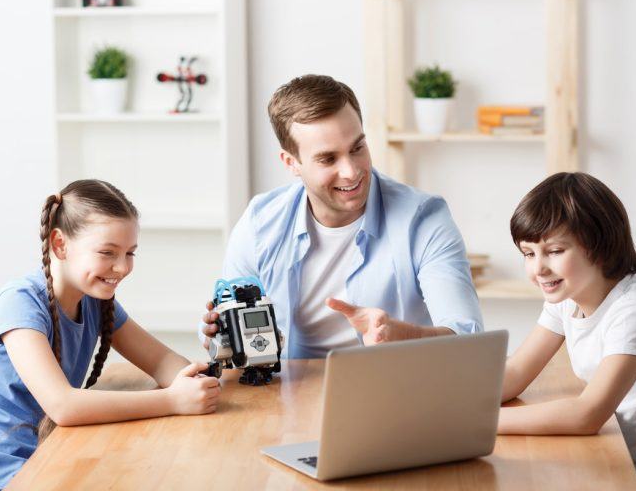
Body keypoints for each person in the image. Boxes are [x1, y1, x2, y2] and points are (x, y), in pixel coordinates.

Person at [0, 179, 220, 490]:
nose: (121, 267)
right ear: (60, 244)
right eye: (108, 252)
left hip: (48, 459)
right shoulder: (18, 304)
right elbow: (63, 406)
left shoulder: (95, 301)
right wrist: (172, 400)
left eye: (130, 253)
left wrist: (198, 381)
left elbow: (160, 360)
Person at [200, 74, 482, 358]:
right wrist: (217, 334)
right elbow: (230, 321)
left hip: (392, 389)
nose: (351, 171)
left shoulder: (422, 219)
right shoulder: (260, 223)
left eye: (357, 148)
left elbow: (469, 339)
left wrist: (402, 336)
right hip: (288, 389)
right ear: (291, 163)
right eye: (328, 159)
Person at [499, 172, 636, 491]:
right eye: (529, 253)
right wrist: (448, 407)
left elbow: (587, 415)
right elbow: (516, 372)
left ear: (599, 246)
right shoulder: (566, 299)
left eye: (555, 251)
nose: (538, 269)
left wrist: (480, 424)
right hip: (618, 459)